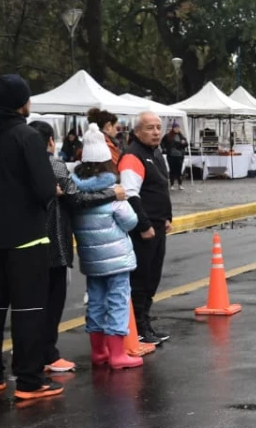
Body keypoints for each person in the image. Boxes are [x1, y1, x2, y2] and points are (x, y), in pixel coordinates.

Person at [0, 74, 61, 401]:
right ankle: (30, 382)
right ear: (23, 101)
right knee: (29, 311)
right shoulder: (26, 136)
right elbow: (46, 189)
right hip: (27, 239)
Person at [30, 120, 122, 375]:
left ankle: (27, 353)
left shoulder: (17, 164)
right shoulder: (54, 164)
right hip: (54, 242)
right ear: (51, 141)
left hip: (23, 242)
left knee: (28, 303)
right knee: (52, 300)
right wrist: (113, 194)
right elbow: (77, 197)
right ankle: (48, 353)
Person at [72, 124, 143, 370]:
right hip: (116, 259)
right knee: (118, 301)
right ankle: (116, 355)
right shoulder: (112, 193)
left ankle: (98, 351)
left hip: (91, 260)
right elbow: (130, 221)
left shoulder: (77, 195)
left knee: (95, 301)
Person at [120, 111, 174, 346]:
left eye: (158, 127)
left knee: (153, 277)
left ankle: (145, 322)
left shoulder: (155, 153)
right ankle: (138, 327)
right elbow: (130, 194)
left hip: (159, 225)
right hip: (144, 229)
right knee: (140, 279)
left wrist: (167, 217)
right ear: (137, 131)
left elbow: (160, 187)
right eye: (150, 128)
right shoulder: (133, 155)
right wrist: (144, 225)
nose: (155, 132)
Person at [161, 122, 189, 190]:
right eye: (175, 128)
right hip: (171, 155)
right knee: (172, 170)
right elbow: (162, 143)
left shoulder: (181, 136)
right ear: (173, 128)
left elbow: (186, 144)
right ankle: (172, 184)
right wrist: (164, 149)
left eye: (178, 128)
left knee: (179, 170)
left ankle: (180, 184)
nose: (177, 129)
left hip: (179, 155)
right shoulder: (168, 136)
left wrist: (184, 143)